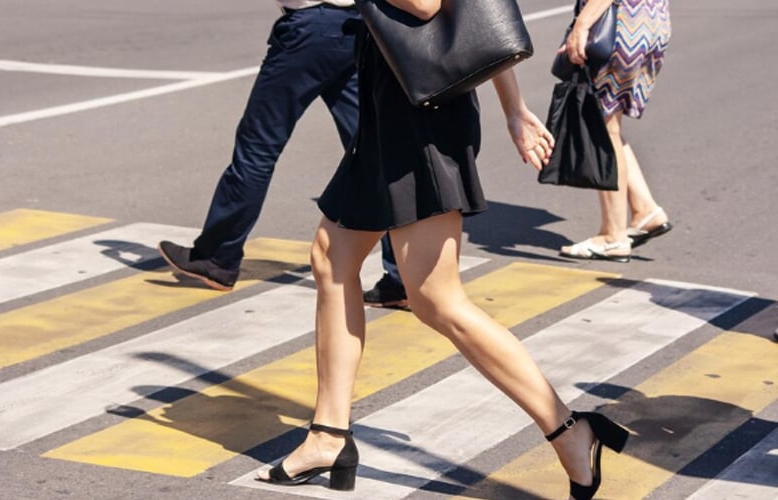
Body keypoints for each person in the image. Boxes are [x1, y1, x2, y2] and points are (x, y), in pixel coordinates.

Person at [255, 1, 629, 498]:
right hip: (392, 108)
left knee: (437, 300)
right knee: (332, 257)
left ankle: (569, 429)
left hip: (419, 120)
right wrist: (513, 109)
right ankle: (329, 435)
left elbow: (428, 3)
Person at [158, 0, 404, 295]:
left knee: (257, 148)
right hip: (358, 25)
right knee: (376, 151)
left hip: (309, 31)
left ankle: (216, 257)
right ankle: (402, 277)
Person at [559, 0, 673, 262]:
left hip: (619, 22)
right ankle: (646, 210)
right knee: (609, 124)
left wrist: (582, 24)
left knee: (602, 127)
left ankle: (613, 236)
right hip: (650, 19)